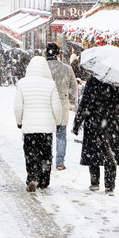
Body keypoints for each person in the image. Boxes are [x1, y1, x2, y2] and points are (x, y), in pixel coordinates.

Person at [72, 75, 119, 195]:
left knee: (93, 150)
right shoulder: (115, 80)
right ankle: (110, 185)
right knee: (110, 153)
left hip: (94, 121)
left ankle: (94, 182)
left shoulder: (92, 80)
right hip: (111, 121)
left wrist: (77, 122)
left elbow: (85, 102)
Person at [14, 56, 63, 192]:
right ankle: (44, 180)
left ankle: (32, 177)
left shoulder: (22, 83)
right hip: (46, 127)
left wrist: (19, 122)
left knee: (30, 153)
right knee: (45, 154)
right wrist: (57, 122)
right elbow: (57, 107)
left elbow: (18, 106)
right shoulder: (50, 84)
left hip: (29, 127)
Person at [45, 42, 78, 171]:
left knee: (47, 134)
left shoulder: (43, 68)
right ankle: (59, 162)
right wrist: (67, 98)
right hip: (62, 104)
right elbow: (74, 88)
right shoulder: (67, 69)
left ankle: (47, 160)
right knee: (61, 134)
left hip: (47, 105)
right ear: (58, 54)